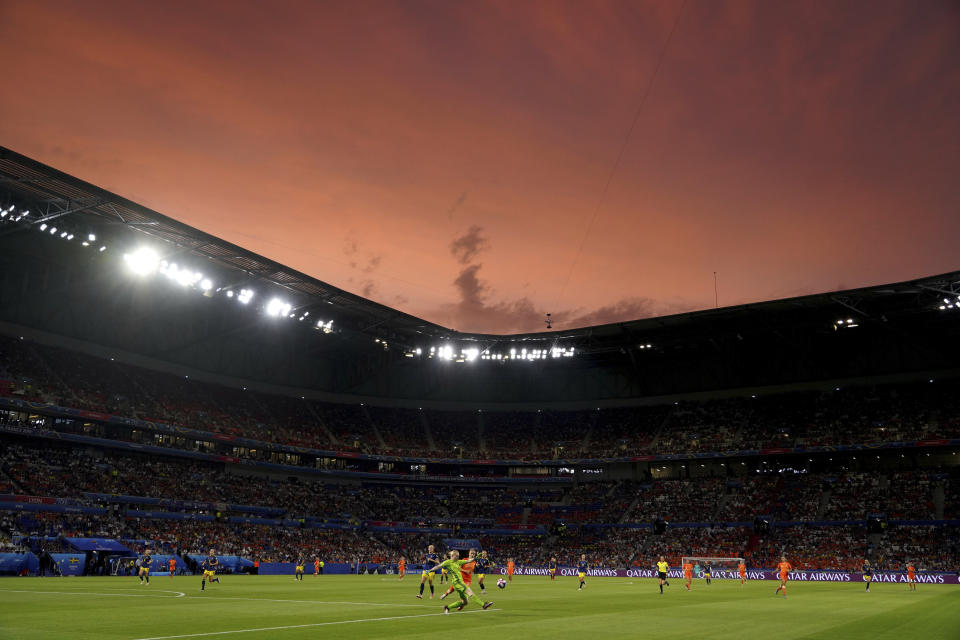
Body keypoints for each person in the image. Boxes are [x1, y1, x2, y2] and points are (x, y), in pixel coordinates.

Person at [427, 550, 493, 614]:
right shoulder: (448, 562)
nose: (458, 557)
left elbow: (468, 561)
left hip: (459, 583)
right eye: (457, 556)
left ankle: (447, 607)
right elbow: (438, 566)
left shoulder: (458, 562)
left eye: (458, 556)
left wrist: (475, 558)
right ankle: (483, 605)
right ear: (452, 555)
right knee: (469, 592)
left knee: (465, 602)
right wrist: (430, 570)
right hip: (457, 582)